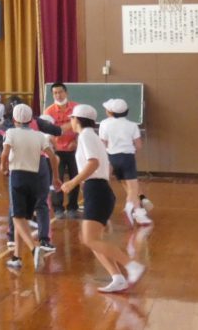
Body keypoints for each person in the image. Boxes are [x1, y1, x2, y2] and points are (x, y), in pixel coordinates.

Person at [60, 104, 146, 293]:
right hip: (97, 191)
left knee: (89, 239)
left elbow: (93, 163)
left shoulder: (86, 136)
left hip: (97, 191)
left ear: (77, 120)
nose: (70, 121)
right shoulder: (90, 136)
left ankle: (132, 266)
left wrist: (72, 182)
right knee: (90, 238)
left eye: (72, 118)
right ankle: (117, 278)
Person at [1, 103, 61, 272]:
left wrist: (3, 167)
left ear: (14, 119)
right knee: (23, 218)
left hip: (18, 176)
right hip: (35, 178)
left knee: (17, 217)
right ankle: (16, 257)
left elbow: (5, 153)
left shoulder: (11, 133)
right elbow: (52, 157)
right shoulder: (40, 136)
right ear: (31, 119)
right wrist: (56, 177)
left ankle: (34, 249)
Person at [99, 98, 151, 226]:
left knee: (124, 185)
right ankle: (129, 207)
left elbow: (102, 143)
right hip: (128, 157)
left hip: (111, 158)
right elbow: (138, 145)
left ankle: (138, 212)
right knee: (133, 188)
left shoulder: (104, 124)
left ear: (110, 112)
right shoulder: (132, 125)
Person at [44, 82, 80, 218]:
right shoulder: (49, 111)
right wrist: (53, 145)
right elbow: (47, 132)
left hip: (74, 150)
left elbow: (82, 127)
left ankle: (72, 207)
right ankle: (58, 207)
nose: (58, 95)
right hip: (57, 151)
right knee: (56, 178)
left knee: (75, 177)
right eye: (55, 93)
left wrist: (76, 141)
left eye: (60, 92)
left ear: (66, 92)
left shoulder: (76, 108)